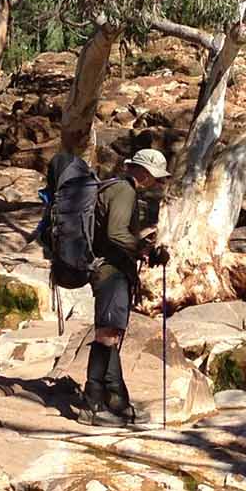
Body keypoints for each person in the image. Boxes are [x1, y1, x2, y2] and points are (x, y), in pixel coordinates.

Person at [79, 148, 170, 426]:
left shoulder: (117, 188)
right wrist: (145, 250)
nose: (158, 183)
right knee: (107, 335)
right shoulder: (124, 191)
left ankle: (117, 401)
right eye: (156, 177)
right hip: (111, 272)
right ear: (144, 172)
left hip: (111, 270)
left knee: (113, 335)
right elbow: (116, 233)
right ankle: (91, 405)